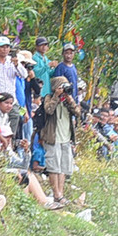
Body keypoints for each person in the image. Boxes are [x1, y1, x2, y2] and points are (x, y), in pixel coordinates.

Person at [41, 75, 81, 207]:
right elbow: (49, 110)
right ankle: (56, 194)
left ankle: (61, 194)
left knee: (63, 167)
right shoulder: (49, 97)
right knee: (54, 167)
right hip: (53, 138)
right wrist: (56, 97)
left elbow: (78, 113)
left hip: (66, 137)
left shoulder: (67, 100)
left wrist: (69, 100)